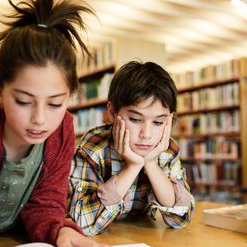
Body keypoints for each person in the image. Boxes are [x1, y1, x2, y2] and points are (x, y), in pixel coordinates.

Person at [0, 0, 124, 247]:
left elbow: (46, 205)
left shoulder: (61, 132)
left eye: (55, 103)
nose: (40, 119)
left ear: (70, 96)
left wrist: (63, 231)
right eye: (23, 101)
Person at [68, 61, 195, 236]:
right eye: (135, 119)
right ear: (112, 112)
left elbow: (180, 219)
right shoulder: (93, 147)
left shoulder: (166, 149)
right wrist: (133, 166)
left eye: (158, 122)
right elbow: (81, 222)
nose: (147, 134)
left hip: (140, 239)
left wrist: (150, 163)